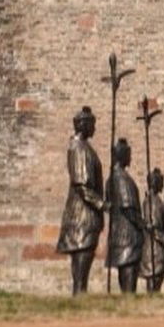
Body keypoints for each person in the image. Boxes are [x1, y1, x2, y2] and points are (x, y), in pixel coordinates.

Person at [54, 106, 105, 296]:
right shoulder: (78, 148)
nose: (95, 129)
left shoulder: (85, 147)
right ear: (83, 125)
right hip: (82, 215)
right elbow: (81, 184)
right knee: (82, 260)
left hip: (87, 214)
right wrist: (101, 203)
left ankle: (80, 294)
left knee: (85, 259)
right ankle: (79, 296)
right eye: (92, 124)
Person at [105, 137, 145, 293]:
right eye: (129, 154)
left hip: (122, 236)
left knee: (127, 281)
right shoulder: (121, 179)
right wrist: (143, 224)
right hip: (127, 237)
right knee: (129, 283)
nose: (131, 158)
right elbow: (128, 208)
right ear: (122, 156)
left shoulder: (112, 177)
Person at [141, 167, 164, 292]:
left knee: (156, 286)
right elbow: (154, 228)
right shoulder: (153, 202)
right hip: (154, 251)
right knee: (153, 287)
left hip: (158, 251)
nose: (163, 184)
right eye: (161, 181)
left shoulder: (157, 200)